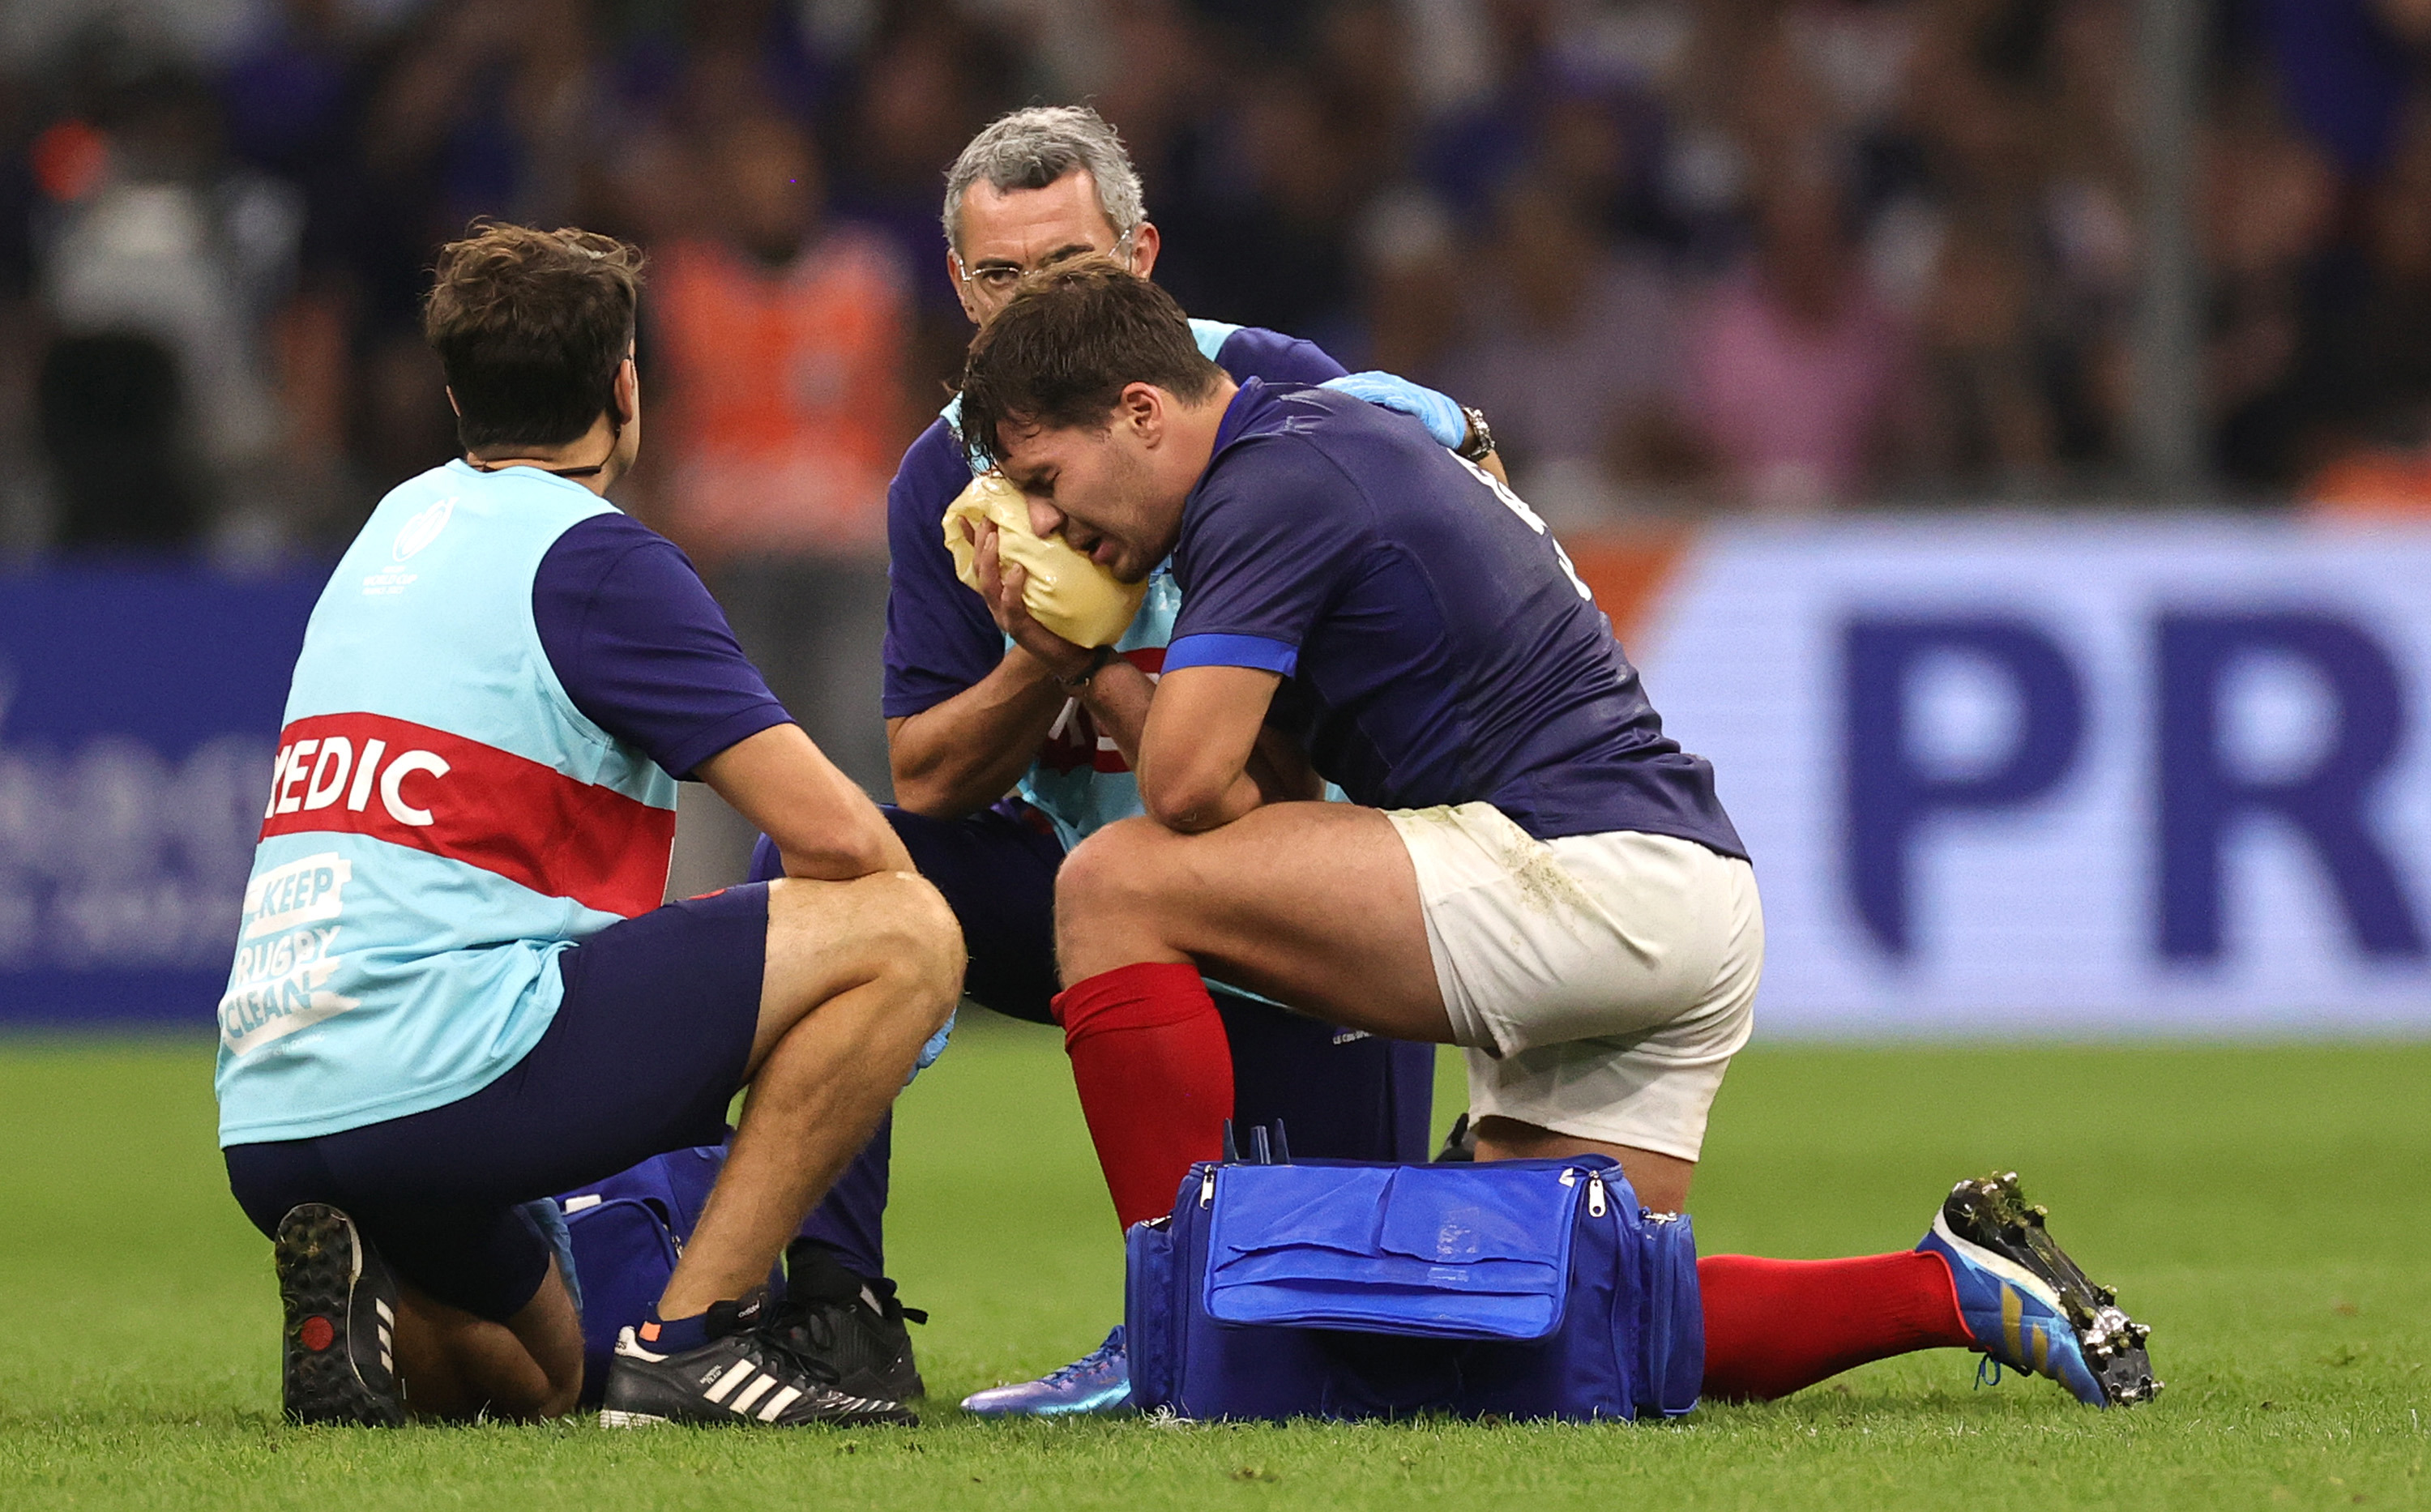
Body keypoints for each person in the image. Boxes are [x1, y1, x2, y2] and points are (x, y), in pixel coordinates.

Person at [952, 258, 2161, 1412]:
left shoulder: (1265, 482)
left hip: (1579, 870)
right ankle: (1949, 1287)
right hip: (1683, 892)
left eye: (1048, 481)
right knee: (1532, 1324)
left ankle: (1178, 1348)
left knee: (1113, 884)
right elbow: (1248, 798)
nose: (1053, 528)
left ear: (1143, 411)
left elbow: (1178, 786)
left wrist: (1086, 660)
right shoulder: (1322, 450)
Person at [743, 105, 1485, 1416]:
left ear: (1140, 257)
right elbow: (924, 775)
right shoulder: (942, 474)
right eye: (999, 276)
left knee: (1320, 1336)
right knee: (827, 868)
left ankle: (1486, 1195)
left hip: (1294, 895)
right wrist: (1041, 647)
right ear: (959, 284)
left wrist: (1093, 643)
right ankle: (833, 1308)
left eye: (1068, 267)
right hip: (1079, 889)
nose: (1027, 300)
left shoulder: (1269, 402)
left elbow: (1268, 784)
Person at [213, 223, 962, 1429]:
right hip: (449, 1075)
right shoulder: (600, 562)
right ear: (626, 385)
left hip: (269, 1112)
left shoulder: (383, 533)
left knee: (550, 1376)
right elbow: (843, 845)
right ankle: (695, 1343)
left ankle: (362, 1305)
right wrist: (876, 1029)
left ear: (456, 396)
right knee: (910, 928)